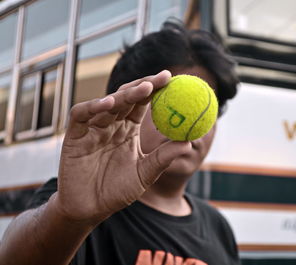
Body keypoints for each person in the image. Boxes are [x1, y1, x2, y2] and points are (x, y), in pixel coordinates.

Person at [0, 19, 239, 265]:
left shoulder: (218, 226)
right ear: (127, 107)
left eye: (208, 108)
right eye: (164, 100)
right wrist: (67, 217)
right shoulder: (78, 199)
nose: (190, 127)